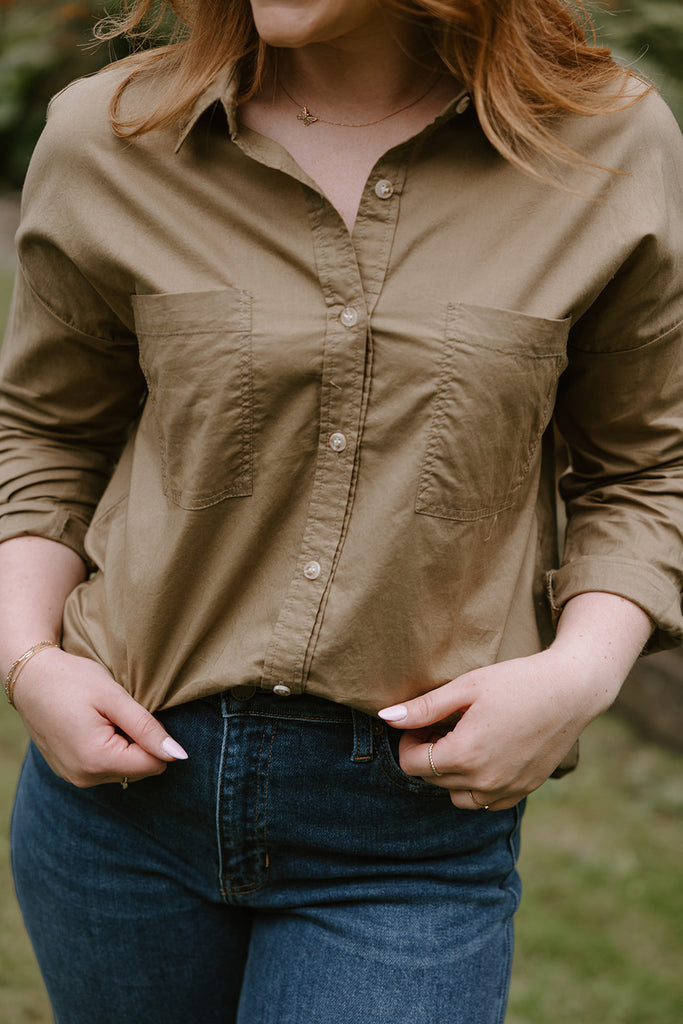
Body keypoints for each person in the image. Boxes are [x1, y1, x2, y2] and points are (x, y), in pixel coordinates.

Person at [0, 0, 681, 1021]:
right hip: (121, 810)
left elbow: (645, 465)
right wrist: (28, 662)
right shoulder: (111, 134)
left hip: (408, 830)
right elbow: (47, 431)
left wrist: (577, 677)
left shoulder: (606, 145)